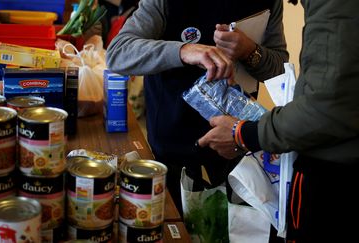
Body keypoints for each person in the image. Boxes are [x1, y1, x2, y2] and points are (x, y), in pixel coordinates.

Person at [106, 0, 288, 215]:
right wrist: (184, 51)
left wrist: (250, 51)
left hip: (240, 145)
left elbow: (280, 70)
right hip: (172, 147)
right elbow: (118, 53)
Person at [198, 0, 359, 241]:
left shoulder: (336, 6)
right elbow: (121, 49)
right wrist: (184, 51)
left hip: (334, 180)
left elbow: (324, 109)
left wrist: (244, 134)